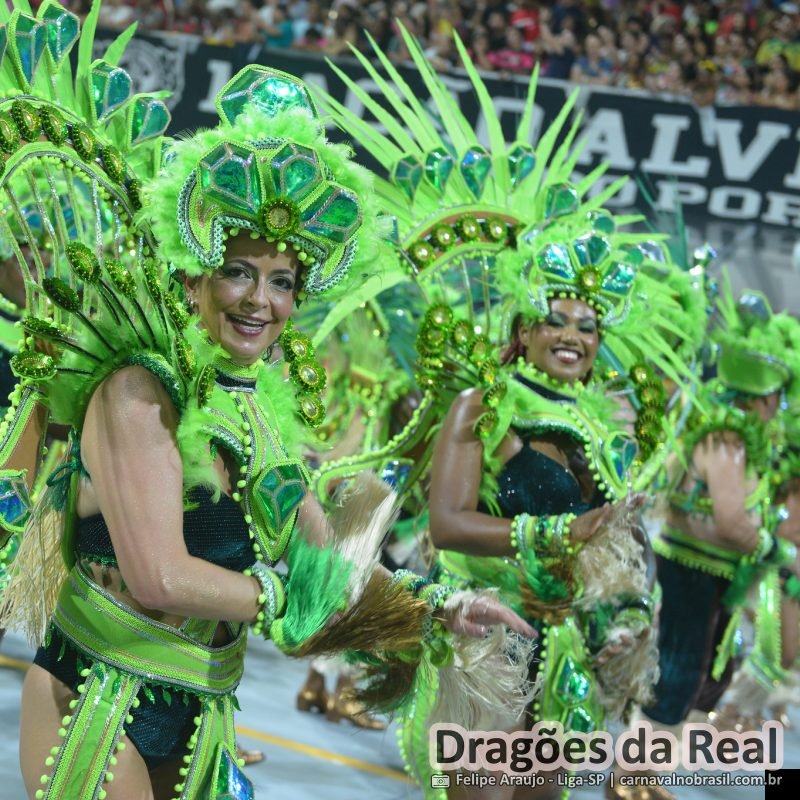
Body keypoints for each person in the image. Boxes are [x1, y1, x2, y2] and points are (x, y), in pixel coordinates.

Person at [0, 6, 536, 799]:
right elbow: (159, 578)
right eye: (238, 271)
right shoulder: (140, 389)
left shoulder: (258, 409)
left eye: (282, 281)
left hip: (205, 712)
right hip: (99, 697)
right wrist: (286, 602)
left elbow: (323, 560)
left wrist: (433, 607)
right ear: (193, 274)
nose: (261, 301)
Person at [318, 27, 698, 800]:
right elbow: (450, 522)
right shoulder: (480, 402)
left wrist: (617, 598)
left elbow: (608, 538)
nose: (570, 335)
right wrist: (562, 532)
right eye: (552, 320)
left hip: (560, 645)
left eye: (587, 326)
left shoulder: (601, 427)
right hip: (484, 633)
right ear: (521, 333)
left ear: (599, 347)